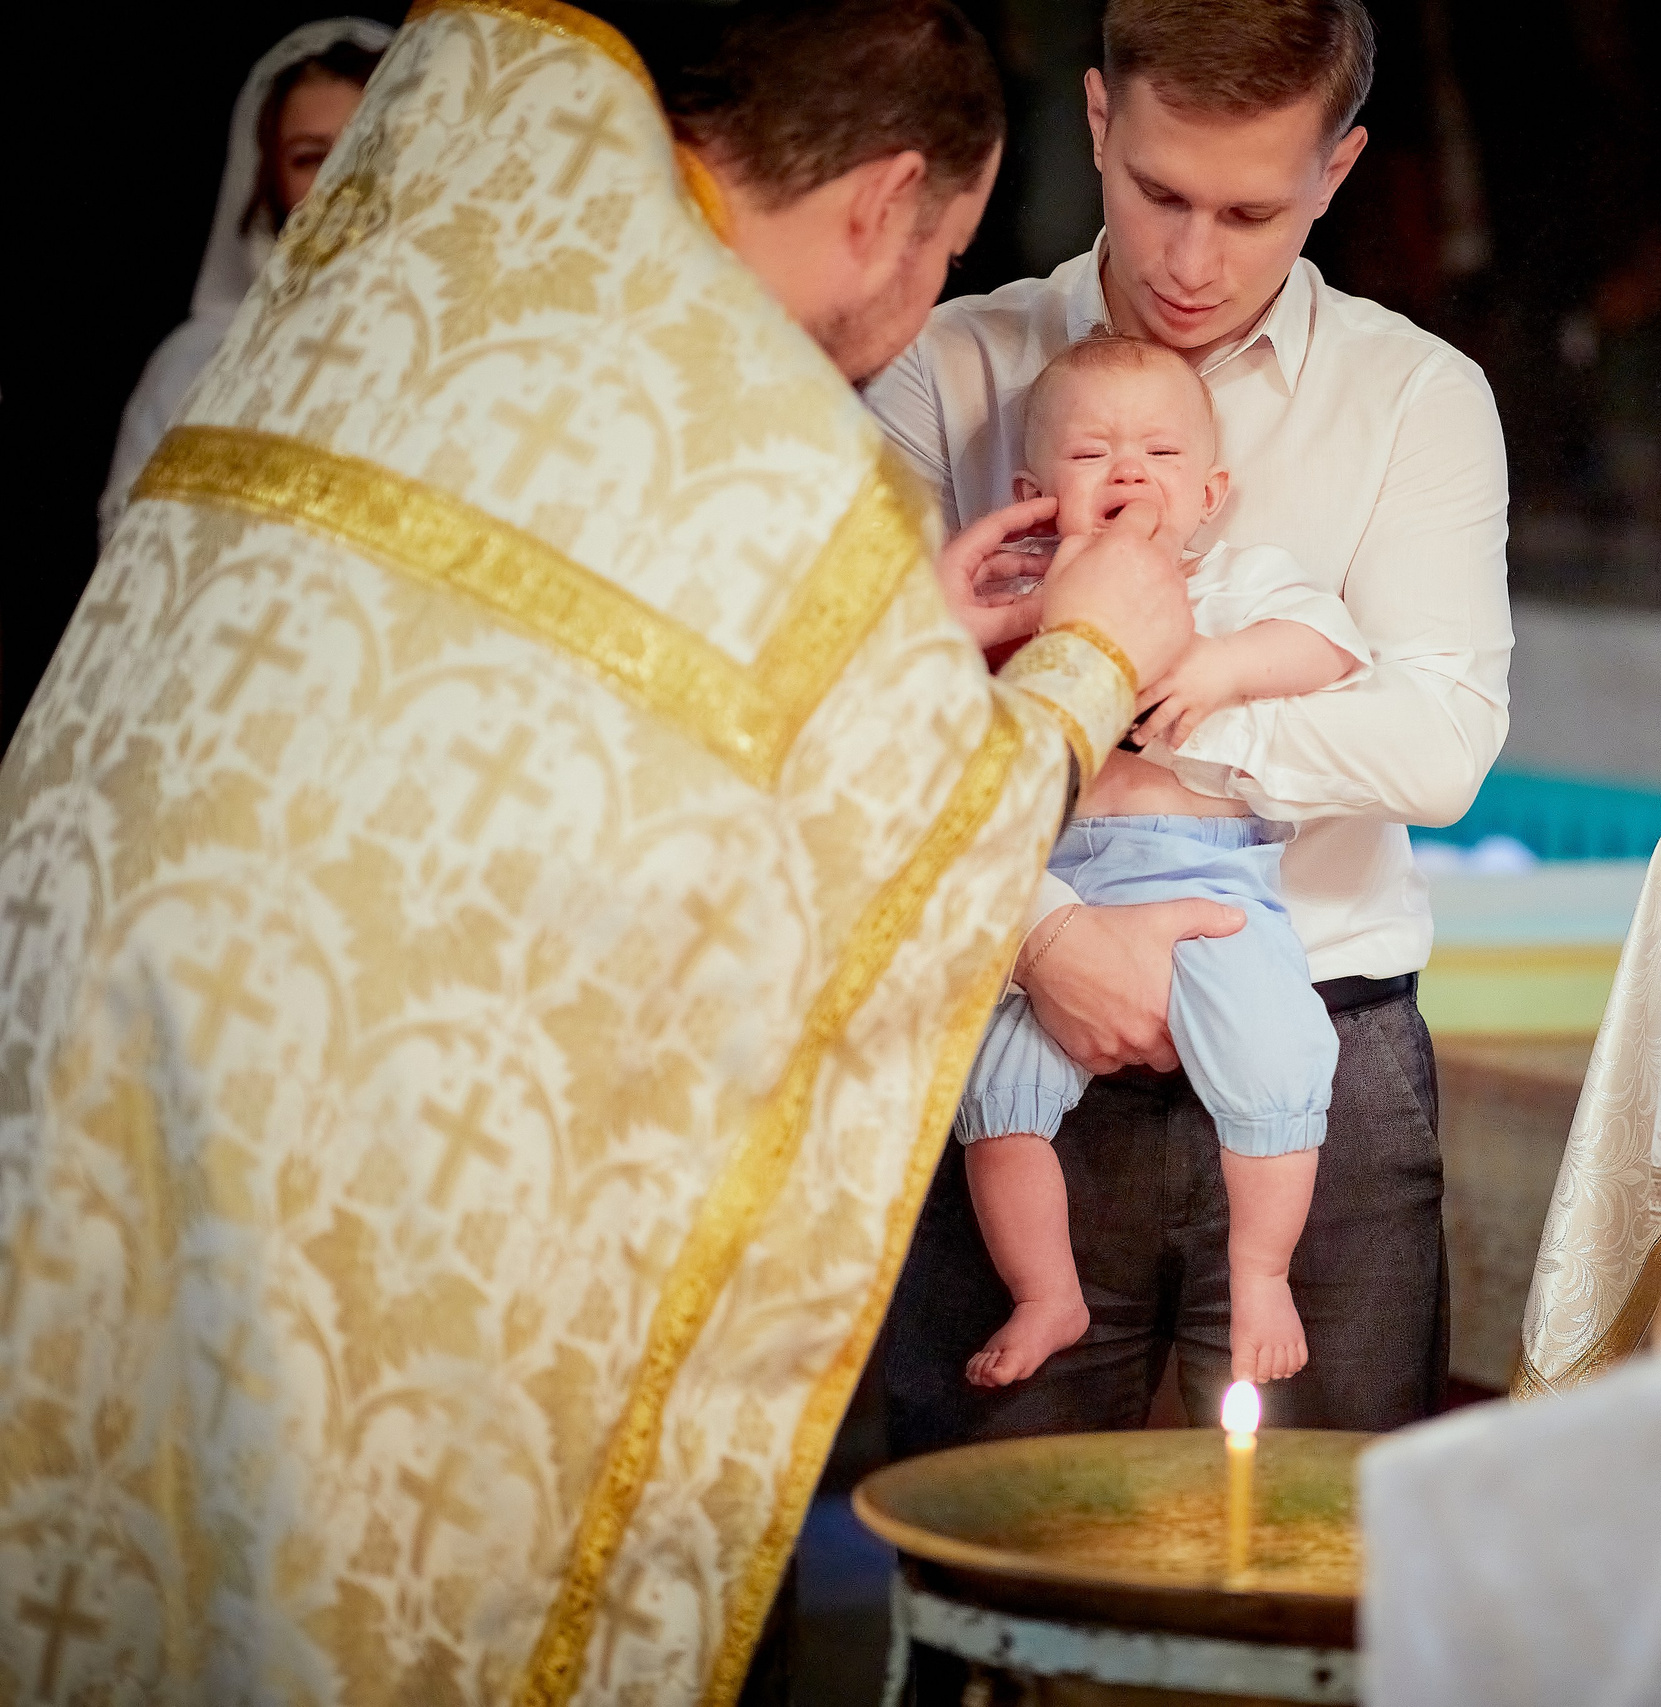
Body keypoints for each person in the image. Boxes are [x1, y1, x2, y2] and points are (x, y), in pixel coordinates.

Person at [0, 0, 1196, 1700]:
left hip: (104, 1094)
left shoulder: (398, 307)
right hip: (369, 1191)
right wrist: (1093, 664)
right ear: (886, 201)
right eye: (939, 253)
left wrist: (894, 640)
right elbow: (880, 884)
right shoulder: (778, 456)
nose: (922, 301)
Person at [870, 0, 1514, 1449]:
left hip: (1326, 1045)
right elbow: (867, 726)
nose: (1189, 260)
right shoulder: (947, 367)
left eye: (1250, 209)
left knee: (1328, 1575)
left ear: (1337, 170)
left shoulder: (1415, 399)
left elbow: (1443, 742)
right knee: (986, 1570)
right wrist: (1043, 931)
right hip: (1008, 1020)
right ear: (1098, 120)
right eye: (1159, 192)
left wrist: (1152, 703)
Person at [954, 333, 1368, 1390]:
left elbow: (1331, 647)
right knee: (991, 1099)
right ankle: (1047, 1293)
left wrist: (1221, 664)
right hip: (1059, 893)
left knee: (1276, 1061)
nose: (1130, 473)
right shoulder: (1010, 597)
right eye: (1092, 454)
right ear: (1034, 491)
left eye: (1161, 455)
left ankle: (1261, 1270)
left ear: (1211, 492)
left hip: (1210, 878)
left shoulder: (1232, 585)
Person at [96, 19, 392, 547]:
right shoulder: (197, 362)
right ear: (270, 181)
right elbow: (132, 559)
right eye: (309, 157)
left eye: (362, 146)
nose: (338, 180)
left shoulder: (463, 345)